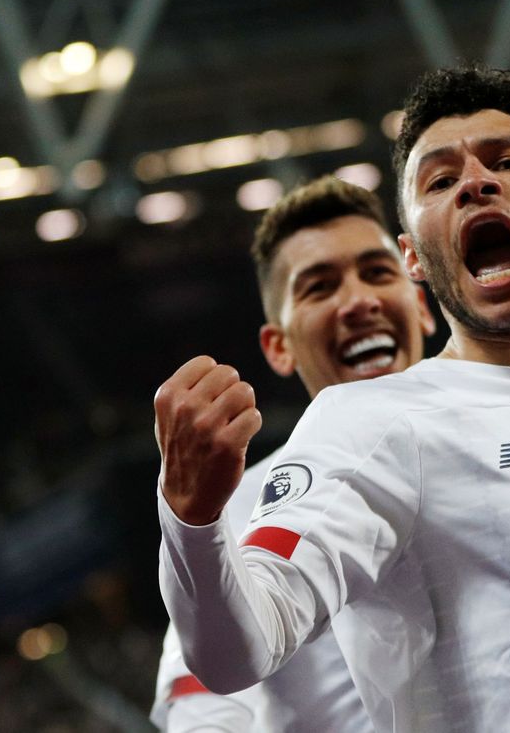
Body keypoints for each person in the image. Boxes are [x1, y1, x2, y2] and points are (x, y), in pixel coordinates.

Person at [156, 65, 510, 732]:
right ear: (418, 257)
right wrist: (192, 516)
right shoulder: (373, 426)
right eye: (440, 180)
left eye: (507, 159)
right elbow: (235, 654)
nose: (475, 181)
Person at [151, 176, 435, 731]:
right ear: (279, 346)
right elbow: (205, 706)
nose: (358, 301)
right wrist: (191, 516)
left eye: (378, 272)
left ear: (422, 307)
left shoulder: (506, 446)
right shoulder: (241, 504)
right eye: (319, 286)